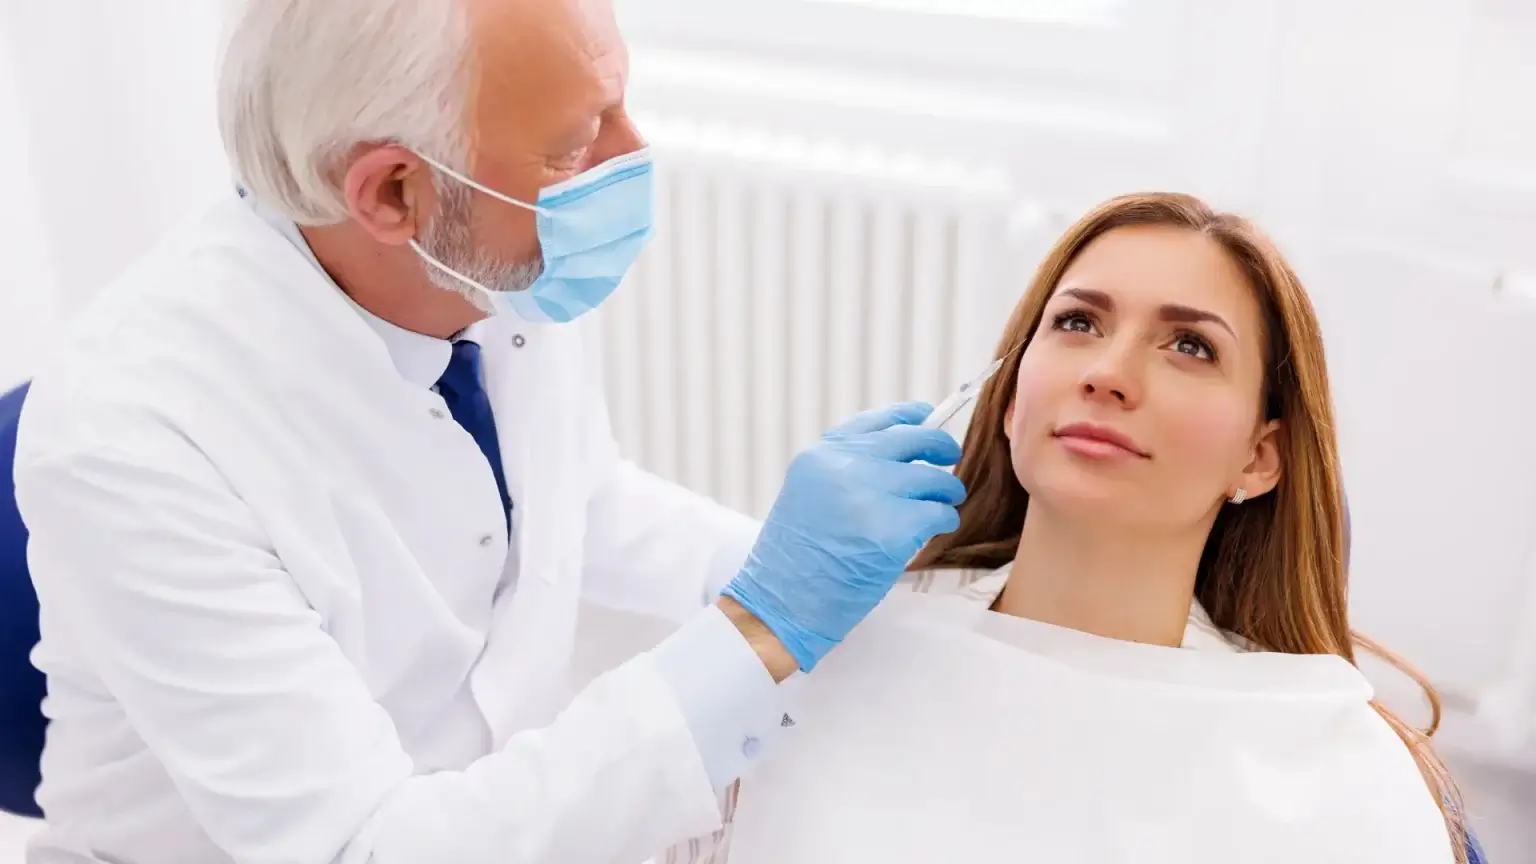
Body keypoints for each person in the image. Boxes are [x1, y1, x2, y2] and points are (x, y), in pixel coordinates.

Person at [7, 0, 966, 861]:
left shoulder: (480, 263)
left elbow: (579, 500)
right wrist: (759, 626)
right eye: (576, 142)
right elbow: (365, 847)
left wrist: (812, 579)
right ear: (391, 194)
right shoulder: (134, 440)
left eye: (620, 105)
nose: (632, 155)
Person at [658, 192, 1476, 864]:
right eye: (1079, 323)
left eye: (1190, 346)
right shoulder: (819, 657)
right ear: (1012, 400)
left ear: (1260, 458)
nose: (1108, 374)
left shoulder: (1344, 783)